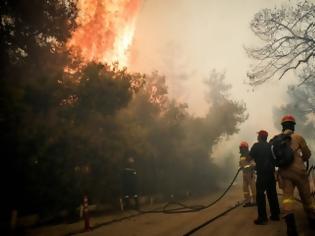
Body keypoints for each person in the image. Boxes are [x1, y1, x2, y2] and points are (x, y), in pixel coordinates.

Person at [272, 115, 315, 235]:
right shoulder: (298, 137)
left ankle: (291, 228)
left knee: (287, 199)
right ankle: (312, 220)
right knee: (307, 197)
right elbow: (307, 154)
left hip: (284, 172)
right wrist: (301, 158)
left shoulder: (277, 139)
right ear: (293, 126)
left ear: (283, 126)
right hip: (299, 172)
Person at [249, 130, 280, 225]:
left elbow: (248, 158)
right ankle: (275, 215)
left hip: (262, 175)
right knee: (272, 194)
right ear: (266, 137)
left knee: (260, 195)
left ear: (259, 137)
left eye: (258, 135)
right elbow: (276, 159)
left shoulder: (256, 146)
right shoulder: (271, 146)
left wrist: (254, 163)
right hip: (271, 174)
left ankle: (262, 218)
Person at [239, 141, 256, 207]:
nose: (242, 149)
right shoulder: (241, 156)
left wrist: (248, 167)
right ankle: (247, 202)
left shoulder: (249, 155)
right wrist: (240, 167)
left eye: (243, 148)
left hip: (250, 173)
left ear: (246, 148)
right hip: (244, 174)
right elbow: (241, 164)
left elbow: (254, 164)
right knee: (245, 189)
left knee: (253, 188)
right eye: (241, 148)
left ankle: (255, 201)